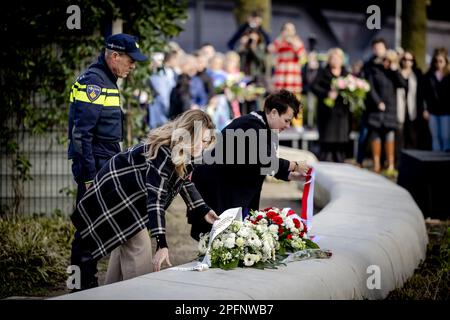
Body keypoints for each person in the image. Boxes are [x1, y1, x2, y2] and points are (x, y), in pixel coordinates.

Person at [70, 110, 219, 290]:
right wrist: (161, 243)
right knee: (139, 247)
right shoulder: (165, 152)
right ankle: (140, 293)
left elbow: (184, 182)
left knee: (126, 243)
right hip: (115, 194)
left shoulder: (185, 151)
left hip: (130, 197)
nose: (201, 147)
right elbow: (155, 198)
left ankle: (111, 292)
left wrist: (203, 209)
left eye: (206, 142)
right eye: (199, 140)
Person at [68, 33, 148, 290]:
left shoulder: (106, 80)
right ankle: (81, 287)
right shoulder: (95, 82)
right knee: (86, 229)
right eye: (130, 60)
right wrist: (90, 177)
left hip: (106, 163)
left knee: (107, 226)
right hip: (96, 167)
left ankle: (106, 286)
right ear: (114, 56)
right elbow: (81, 135)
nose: (133, 65)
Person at [190, 89, 310, 240]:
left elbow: (259, 164)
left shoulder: (260, 126)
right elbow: (263, 159)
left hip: (228, 189)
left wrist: (290, 175)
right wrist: (294, 164)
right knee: (218, 242)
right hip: (217, 190)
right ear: (273, 112)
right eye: (286, 120)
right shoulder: (251, 125)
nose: (287, 126)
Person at [365, 49, 407, 174]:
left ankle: (390, 165)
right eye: (386, 60)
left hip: (390, 110)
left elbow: (403, 84)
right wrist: (378, 102)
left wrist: (395, 71)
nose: (387, 63)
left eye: (390, 61)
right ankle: (376, 165)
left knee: (390, 135)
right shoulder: (375, 71)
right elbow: (370, 88)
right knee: (376, 136)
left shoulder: (394, 73)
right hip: (376, 109)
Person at [312, 48, 350, 163]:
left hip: (342, 112)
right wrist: (327, 93)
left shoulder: (346, 74)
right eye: (333, 58)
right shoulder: (323, 72)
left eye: (338, 58)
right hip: (326, 112)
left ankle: (340, 159)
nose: (335, 60)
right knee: (327, 137)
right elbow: (314, 87)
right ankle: (326, 159)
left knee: (341, 137)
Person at [357, 38, 387, 168]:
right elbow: (367, 85)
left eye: (380, 47)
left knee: (385, 137)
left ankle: (384, 163)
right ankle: (360, 161)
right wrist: (377, 101)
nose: (378, 50)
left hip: (387, 107)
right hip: (370, 108)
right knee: (364, 135)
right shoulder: (368, 64)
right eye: (376, 48)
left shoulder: (389, 63)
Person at [395, 50, 427, 157]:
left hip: (414, 111)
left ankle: (412, 160)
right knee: (399, 138)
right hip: (399, 110)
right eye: (404, 59)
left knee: (412, 137)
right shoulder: (396, 73)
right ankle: (399, 162)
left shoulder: (417, 74)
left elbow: (423, 94)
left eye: (410, 60)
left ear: (413, 61)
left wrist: (424, 109)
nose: (407, 62)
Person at [423, 47, 450, 152]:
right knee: (435, 136)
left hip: (446, 111)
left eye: (441, 61)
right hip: (432, 111)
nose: (438, 64)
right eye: (436, 61)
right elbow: (424, 94)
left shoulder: (449, 76)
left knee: (446, 136)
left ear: (445, 62)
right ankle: (436, 158)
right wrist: (425, 109)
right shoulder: (429, 76)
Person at [269, 22, 306, 95]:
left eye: (291, 30)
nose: (289, 32)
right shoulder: (279, 41)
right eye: (286, 29)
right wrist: (281, 38)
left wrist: (292, 43)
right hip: (280, 77)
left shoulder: (298, 42)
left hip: (293, 78)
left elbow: (302, 56)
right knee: (279, 101)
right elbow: (270, 49)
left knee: (293, 101)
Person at [148, 50, 179, 129]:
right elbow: (163, 96)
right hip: (161, 116)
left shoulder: (170, 72)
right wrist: (169, 111)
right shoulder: (159, 74)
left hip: (163, 114)